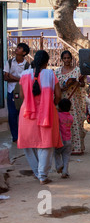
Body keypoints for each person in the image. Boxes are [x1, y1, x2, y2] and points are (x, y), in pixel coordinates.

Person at [17, 50, 62, 185]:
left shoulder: (24, 75)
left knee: (29, 145)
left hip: (27, 114)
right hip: (47, 113)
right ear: (46, 62)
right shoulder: (50, 74)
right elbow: (58, 96)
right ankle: (42, 175)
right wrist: (51, 105)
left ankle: (38, 172)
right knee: (46, 145)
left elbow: (22, 96)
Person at [55, 50, 86, 155]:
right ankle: (62, 147)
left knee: (74, 123)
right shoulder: (57, 71)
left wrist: (77, 82)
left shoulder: (77, 71)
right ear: (62, 59)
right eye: (65, 58)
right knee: (62, 124)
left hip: (74, 101)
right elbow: (55, 86)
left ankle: (77, 148)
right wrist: (62, 88)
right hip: (62, 100)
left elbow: (83, 84)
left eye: (68, 58)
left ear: (71, 59)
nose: (67, 60)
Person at [3, 43, 30, 142]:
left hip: (22, 92)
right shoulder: (10, 62)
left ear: (24, 53)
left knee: (23, 114)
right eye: (17, 47)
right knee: (12, 115)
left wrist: (12, 77)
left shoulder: (27, 65)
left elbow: (26, 79)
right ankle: (15, 137)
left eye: (19, 48)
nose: (16, 49)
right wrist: (20, 79)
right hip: (11, 91)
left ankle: (23, 135)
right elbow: (5, 77)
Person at [54, 98, 73, 179]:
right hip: (68, 140)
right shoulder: (70, 117)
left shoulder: (57, 115)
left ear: (59, 107)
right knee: (66, 156)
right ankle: (65, 171)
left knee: (56, 153)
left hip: (60, 140)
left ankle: (59, 165)